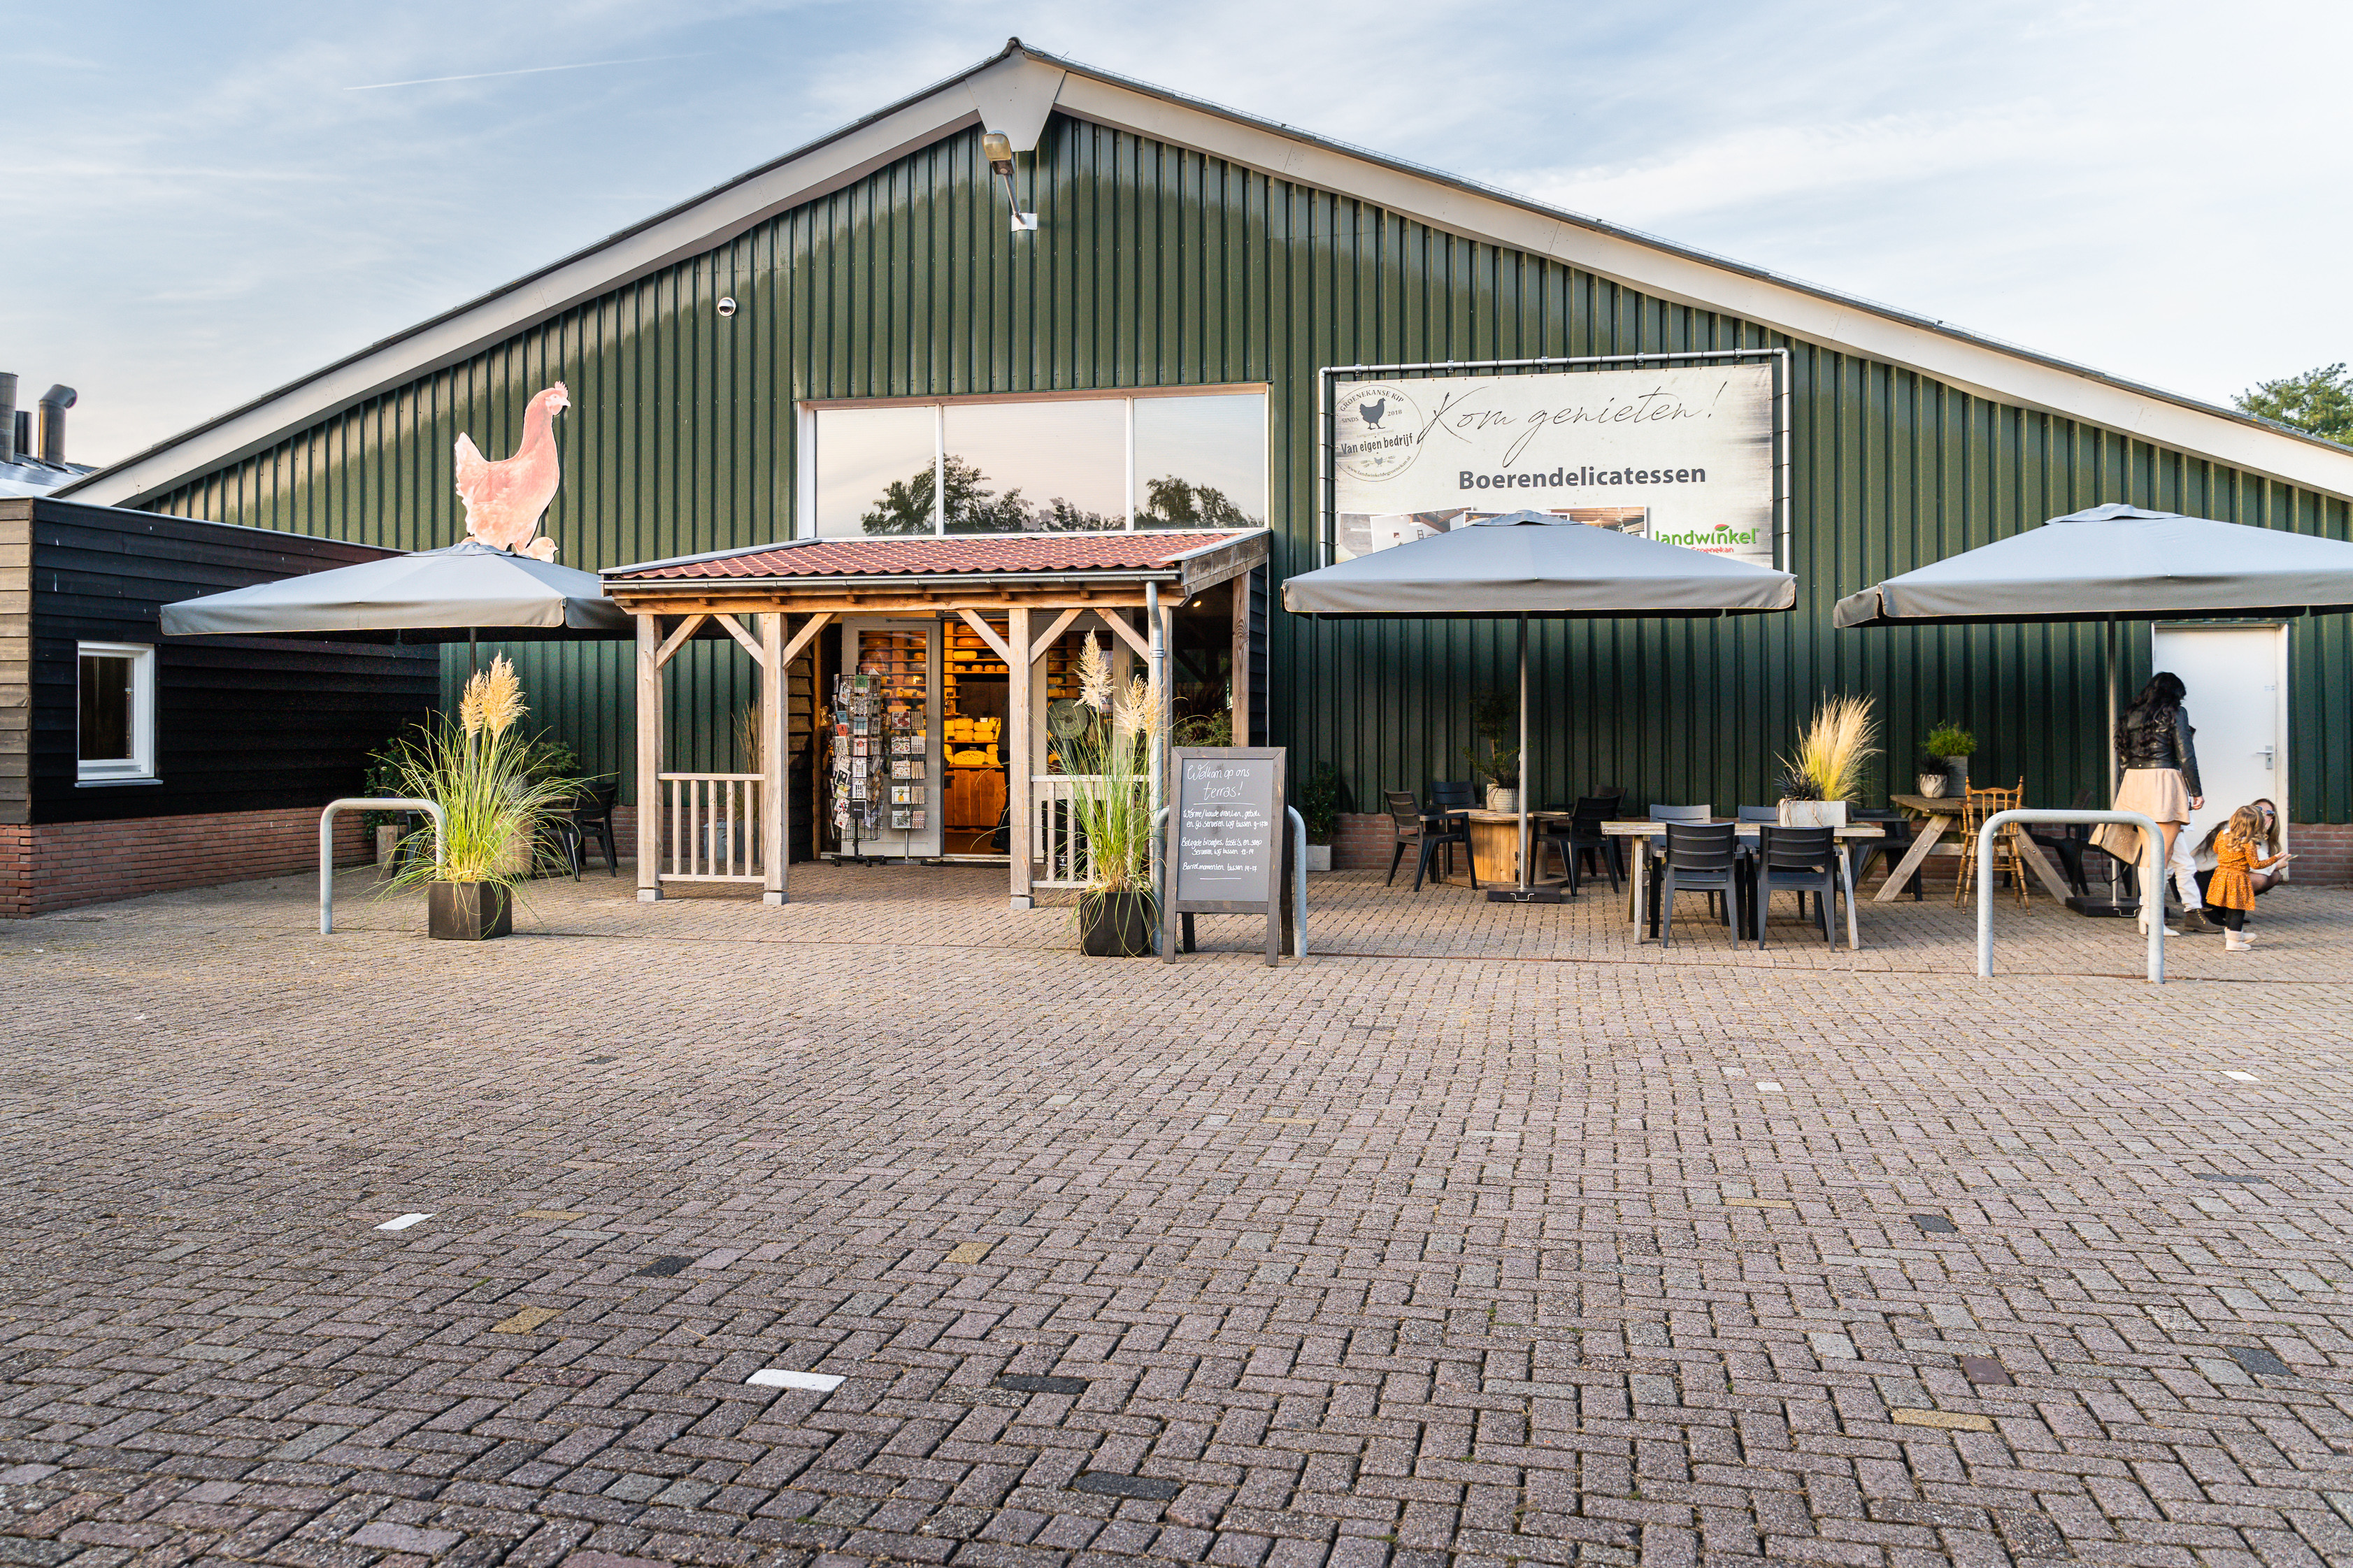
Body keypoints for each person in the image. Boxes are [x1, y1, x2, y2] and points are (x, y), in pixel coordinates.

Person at [2094, 672, 2204, 936]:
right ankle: (2152, 916)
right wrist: (2196, 790)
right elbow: (2185, 753)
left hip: (2134, 781)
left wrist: (2126, 790)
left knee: (2148, 852)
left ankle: (2147, 913)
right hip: (2163, 779)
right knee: (2161, 854)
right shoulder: (2175, 713)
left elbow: (2122, 759)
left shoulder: (2131, 715)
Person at [2205, 803, 2292, 953]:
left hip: (2222, 875)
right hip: (2238, 878)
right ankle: (2234, 943)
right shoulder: (2248, 842)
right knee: (2238, 909)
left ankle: (2233, 935)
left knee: (2230, 907)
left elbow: (2216, 849)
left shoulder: (2222, 835)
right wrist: (2275, 859)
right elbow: (2256, 865)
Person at [2193, 797, 2288, 902]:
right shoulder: (2232, 828)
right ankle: (2215, 907)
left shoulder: (2261, 836)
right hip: (2201, 877)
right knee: (2259, 879)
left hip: (2223, 876)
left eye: (2269, 813)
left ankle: (2225, 911)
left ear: (2272, 820)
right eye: (2259, 810)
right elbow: (2255, 866)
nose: (2263, 815)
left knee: (2274, 876)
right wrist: (2276, 865)